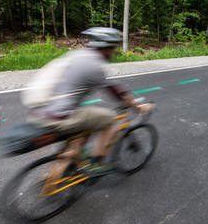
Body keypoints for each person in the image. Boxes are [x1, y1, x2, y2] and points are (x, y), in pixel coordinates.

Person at [22, 27, 154, 174]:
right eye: (113, 47)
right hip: (59, 116)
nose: (114, 51)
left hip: (40, 111)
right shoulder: (95, 66)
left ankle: (66, 165)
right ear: (106, 47)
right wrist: (139, 107)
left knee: (88, 120)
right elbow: (118, 93)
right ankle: (96, 163)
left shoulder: (77, 55)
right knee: (108, 118)